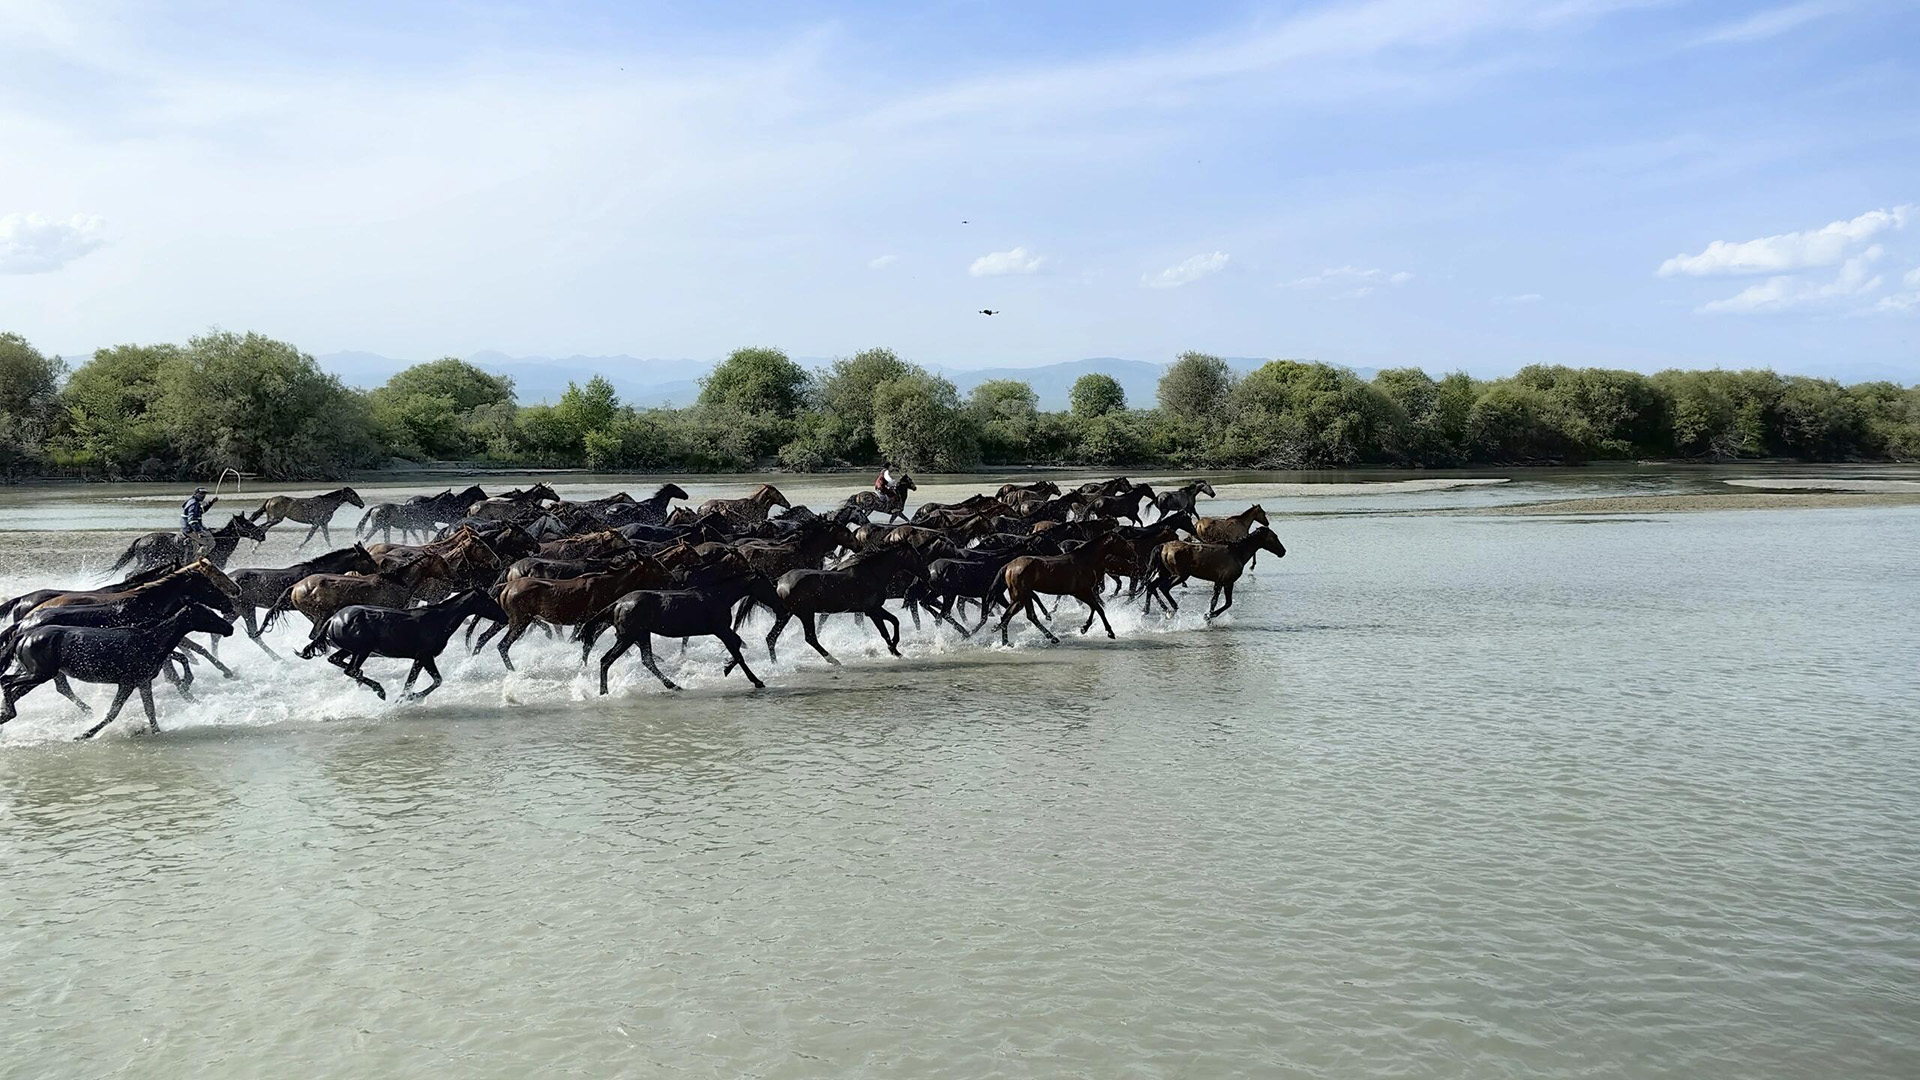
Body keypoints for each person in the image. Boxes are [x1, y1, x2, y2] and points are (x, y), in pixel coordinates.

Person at [180, 486, 215, 562]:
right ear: (195, 494)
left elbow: (201, 511)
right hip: (190, 529)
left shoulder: (194, 502)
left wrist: (210, 503)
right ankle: (196, 561)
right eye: (201, 494)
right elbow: (192, 520)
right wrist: (199, 531)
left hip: (189, 527)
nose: (203, 496)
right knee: (210, 543)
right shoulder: (194, 504)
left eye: (204, 494)